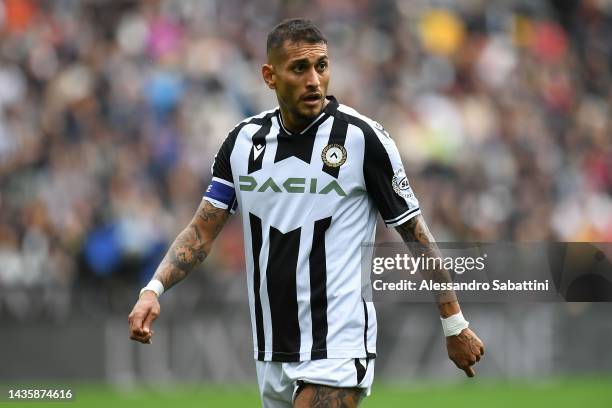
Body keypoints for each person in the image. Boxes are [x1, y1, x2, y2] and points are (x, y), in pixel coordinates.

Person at [128, 18, 484, 407]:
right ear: (270, 75)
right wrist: (153, 289)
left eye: (322, 66)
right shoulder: (243, 142)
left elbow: (416, 234)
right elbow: (201, 232)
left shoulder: (362, 140)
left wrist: (454, 322)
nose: (314, 79)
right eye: (299, 68)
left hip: (338, 345)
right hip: (271, 351)